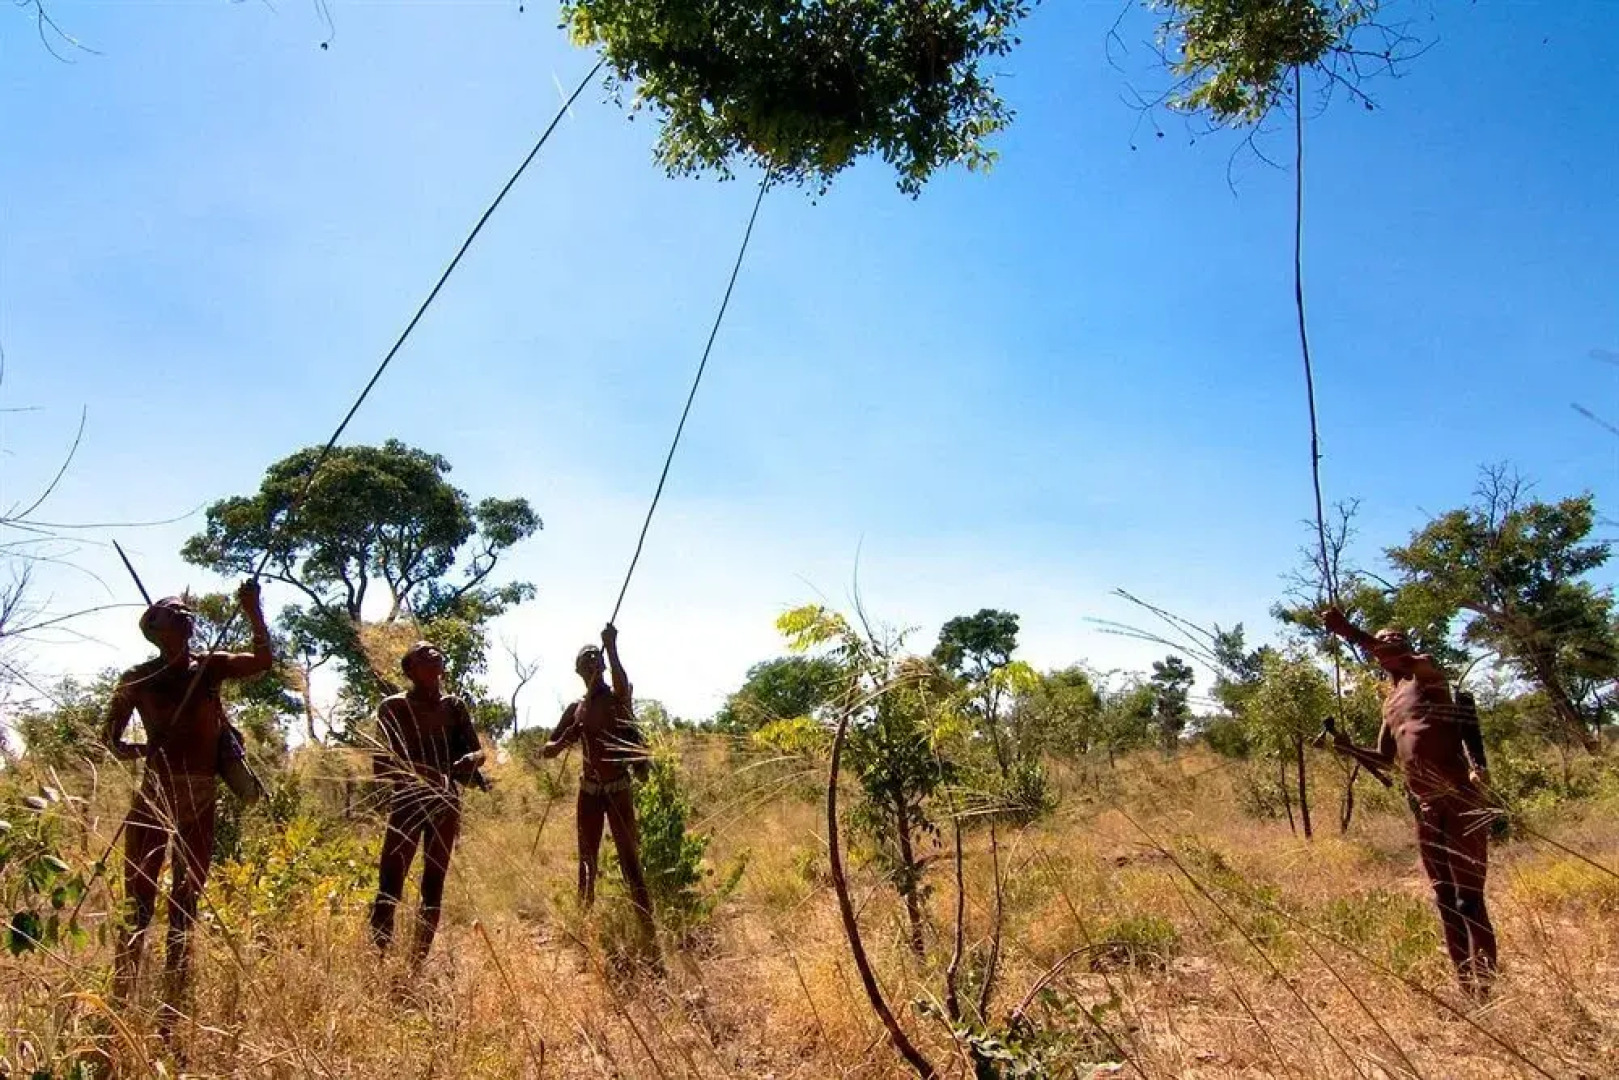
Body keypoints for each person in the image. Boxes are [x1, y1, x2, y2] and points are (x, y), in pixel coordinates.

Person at [103, 581, 274, 1010]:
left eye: (185, 610)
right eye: (170, 610)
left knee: (187, 896)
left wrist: (252, 610)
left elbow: (263, 661)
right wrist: (146, 749)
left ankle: (174, 994)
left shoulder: (210, 667)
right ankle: (124, 990)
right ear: (153, 627)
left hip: (200, 795)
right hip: (155, 796)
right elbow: (109, 742)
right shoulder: (138, 680)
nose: (183, 612)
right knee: (138, 897)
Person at [1321, 606, 1499, 995]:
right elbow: (1384, 759)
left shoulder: (1427, 675)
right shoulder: (1390, 705)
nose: (1387, 645)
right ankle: (1467, 987)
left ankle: (1487, 987)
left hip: (1460, 799)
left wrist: (1348, 630)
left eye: (1394, 640)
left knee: (1470, 899)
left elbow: (1402, 660)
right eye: (1382, 640)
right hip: (1426, 806)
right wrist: (1347, 748)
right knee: (1445, 899)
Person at [368, 641, 487, 971]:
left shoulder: (454, 707)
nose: (434, 655)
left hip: (445, 805)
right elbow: (381, 766)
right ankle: (377, 961)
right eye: (424, 654)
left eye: (437, 652)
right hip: (407, 803)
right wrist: (424, 772)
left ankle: (414, 965)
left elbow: (479, 754)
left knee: (433, 887)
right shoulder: (393, 708)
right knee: (389, 886)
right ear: (410, 670)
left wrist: (469, 760)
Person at [542, 623, 655, 940]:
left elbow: (622, 686)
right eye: (586, 659)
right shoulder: (576, 708)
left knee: (630, 858)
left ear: (603, 664)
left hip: (618, 788)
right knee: (587, 861)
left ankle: (646, 927)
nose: (593, 661)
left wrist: (612, 646)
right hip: (589, 792)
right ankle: (583, 927)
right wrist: (569, 736)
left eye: (597, 657)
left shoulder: (617, 699)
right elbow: (548, 751)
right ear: (578, 671)